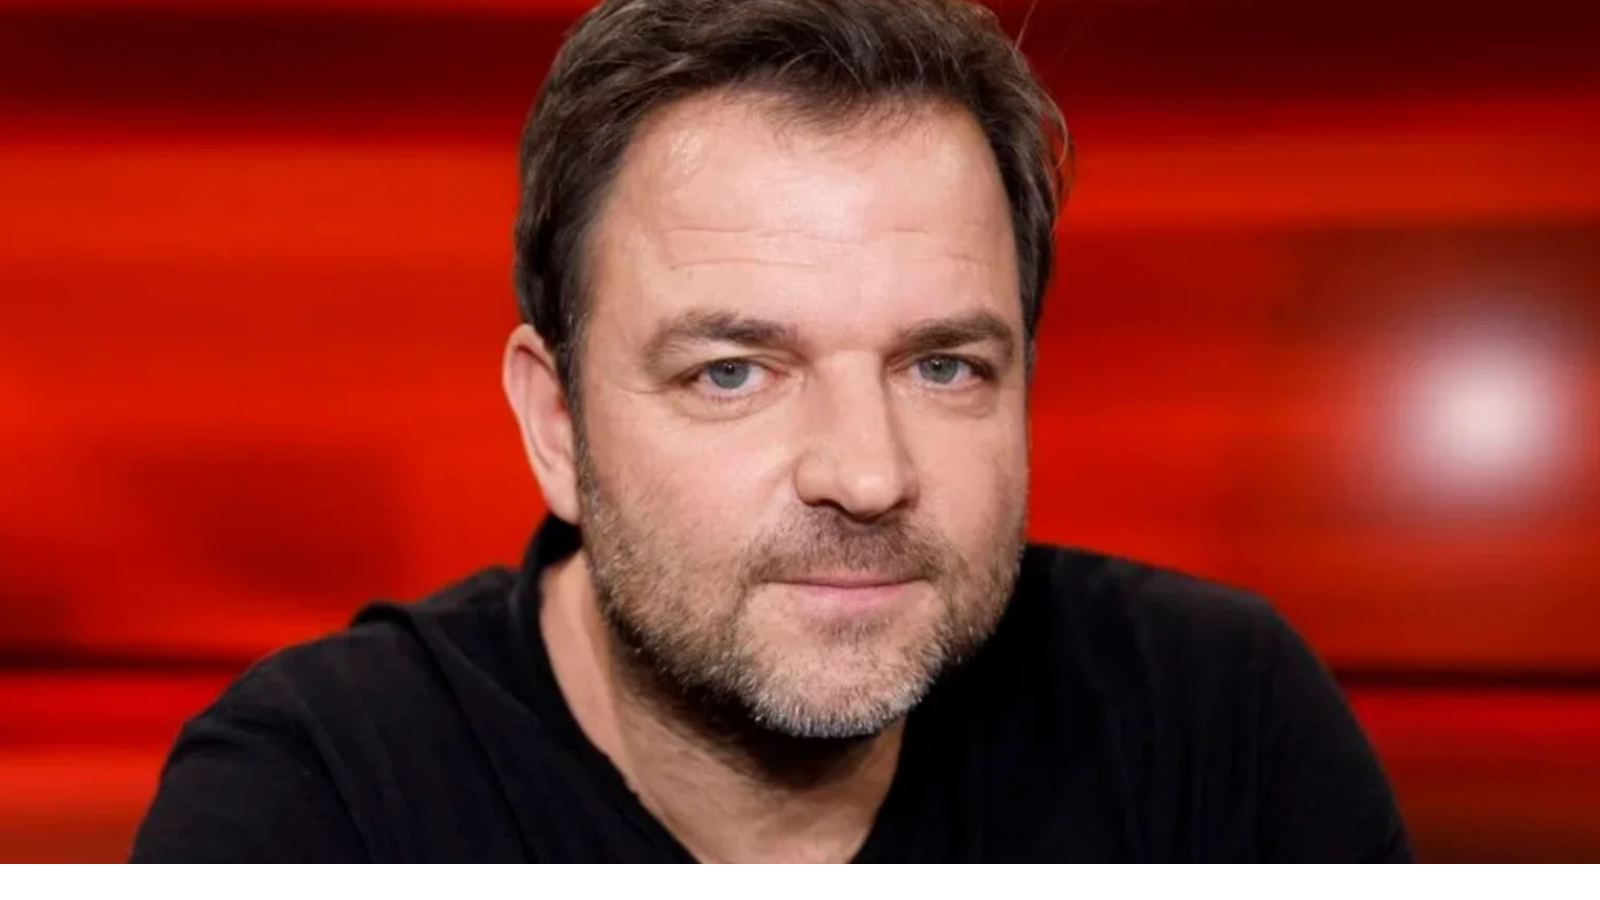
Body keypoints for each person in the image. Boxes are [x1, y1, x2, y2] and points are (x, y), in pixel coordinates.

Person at [131, 0, 1411, 863]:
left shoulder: (1215, 726)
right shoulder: (323, 806)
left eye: (944, 366)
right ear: (557, 424)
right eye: (734, 372)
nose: (866, 473)